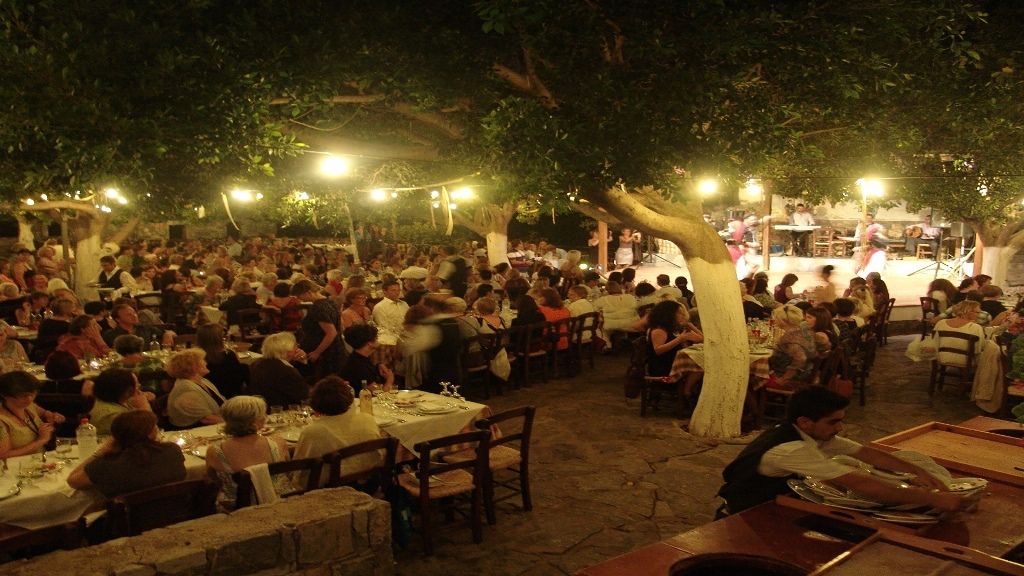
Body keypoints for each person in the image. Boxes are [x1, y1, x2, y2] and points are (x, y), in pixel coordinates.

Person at [717, 387, 971, 515]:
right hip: (750, 511)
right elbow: (861, 483)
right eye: (833, 421)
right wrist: (932, 499)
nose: (840, 427)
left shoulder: (815, 433)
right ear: (806, 422)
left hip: (778, 501)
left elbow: (867, 454)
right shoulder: (792, 448)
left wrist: (918, 472)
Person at [66, 411, 185, 498]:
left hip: (130, 522)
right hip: (176, 512)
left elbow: (72, 480)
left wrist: (99, 453)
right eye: (155, 427)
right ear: (150, 434)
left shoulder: (106, 465)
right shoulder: (172, 450)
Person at [205, 395, 290, 510]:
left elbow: (211, 481)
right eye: (263, 415)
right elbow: (289, 474)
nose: (265, 417)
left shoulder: (214, 451)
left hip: (234, 509)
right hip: (281, 502)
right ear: (256, 420)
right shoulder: (278, 443)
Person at [293, 375, 382, 486]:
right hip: (368, 486)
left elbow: (299, 472)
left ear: (316, 404)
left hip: (330, 494)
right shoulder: (367, 419)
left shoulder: (312, 432)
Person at [0, 371, 65, 458]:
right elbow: (3, 455)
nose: (29, 399)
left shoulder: (29, 406)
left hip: (41, 461)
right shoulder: (2, 420)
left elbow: (45, 413)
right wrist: (41, 440)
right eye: (23, 396)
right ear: (5, 395)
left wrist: (52, 416)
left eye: (33, 394)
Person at [292, 279, 344, 382]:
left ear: (308, 292)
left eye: (299, 296)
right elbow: (340, 326)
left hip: (326, 353)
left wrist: (317, 352)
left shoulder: (318, 307)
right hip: (335, 348)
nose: (299, 299)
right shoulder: (330, 301)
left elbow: (331, 332)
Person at [248, 332, 310, 409]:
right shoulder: (286, 371)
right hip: (282, 410)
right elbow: (303, 396)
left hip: (259, 407)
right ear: (288, 351)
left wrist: (303, 361)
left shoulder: (257, 363)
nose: (298, 348)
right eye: (295, 346)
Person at [166, 349, 225, 428]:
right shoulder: (185, 389)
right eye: (202, 360)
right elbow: (206, 419)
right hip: (197, 432)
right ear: (191, 367)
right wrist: (234, 423)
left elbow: (223, 402)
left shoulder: (204, 381)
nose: (205, 362)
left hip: (215, 426)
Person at [768, 305, 821, 389]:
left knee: (750, 380)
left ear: (783, 321)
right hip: (806, 373)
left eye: (776, 317)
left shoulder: (791, 336)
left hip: (792, 380)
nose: (774, 320)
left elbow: (801, 358)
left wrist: (784, 379)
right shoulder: (805, 331)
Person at [89, 368, 154, 436]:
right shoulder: (112, 415)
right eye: (137, 385)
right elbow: (150, 433)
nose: (139, 387)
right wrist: (144, 406)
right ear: (128, 391)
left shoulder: (109, 401)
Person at [339, 324, 394, 396]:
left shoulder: (360, 357)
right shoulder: (358, 366)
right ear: (369, 343)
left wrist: (379, 366)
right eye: (376, 337)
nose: (378, 340)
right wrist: (390, 380)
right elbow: (380, 394)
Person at [196, 324, 248, 399]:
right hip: (232, 396)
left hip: (208, 397)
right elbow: (238, 380)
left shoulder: (197, 359)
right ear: (219, 339)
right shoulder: (229, 355)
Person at [102, 303, 172, 348]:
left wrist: (167, 334)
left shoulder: (144, 328)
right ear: (118, 319)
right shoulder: (111, 335)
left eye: (134, 313)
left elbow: (168, 332)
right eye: (128, 315)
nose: (134, 316)